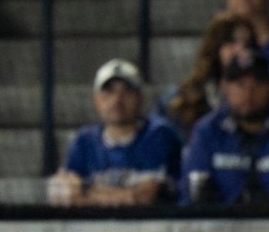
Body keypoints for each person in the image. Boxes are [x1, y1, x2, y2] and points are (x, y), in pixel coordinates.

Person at [180, 48, 269, 206]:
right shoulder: (207, 131)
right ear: (225, 87)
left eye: (257, 84)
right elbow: (192, 196)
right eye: (240, 84)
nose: (248, 93)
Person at [47, 59, 181, 207]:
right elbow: (67, 194)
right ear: (96, 99)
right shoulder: (83, 141)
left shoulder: (158, 135)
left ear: (139, 98)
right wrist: (123, 195)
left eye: (126, 91)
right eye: (108, 91)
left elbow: (144, 196)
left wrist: (87, 194)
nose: (117, 100)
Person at [156, 12, 256, 140]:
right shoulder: (180, 97)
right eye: (231, 41)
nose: (241, 49)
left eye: (247, 44)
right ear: (215, 46)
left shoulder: (261, 96)